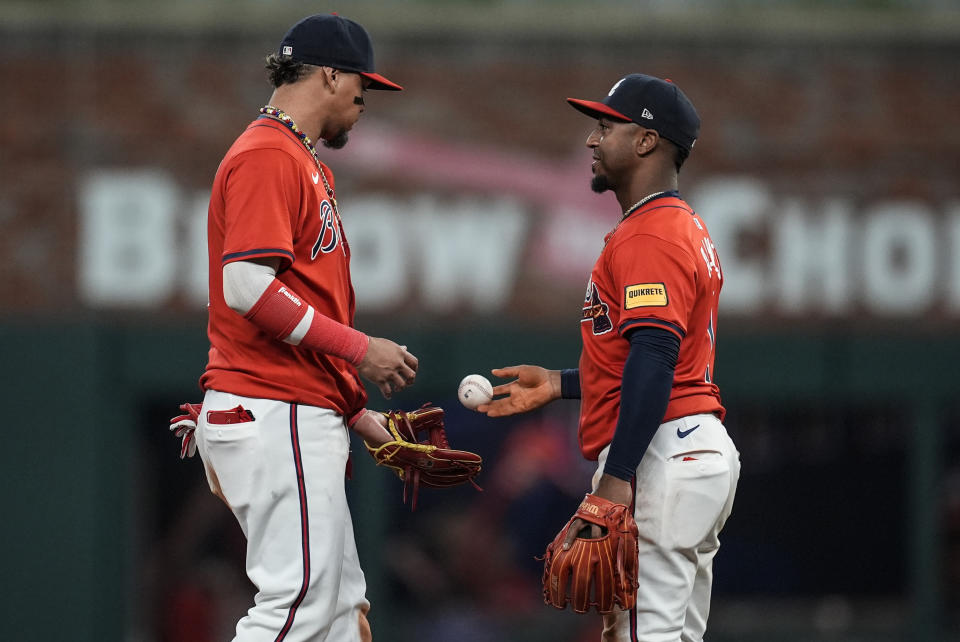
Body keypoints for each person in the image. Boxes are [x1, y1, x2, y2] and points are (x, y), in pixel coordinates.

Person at [478, 74, 741, 642]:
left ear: (646, 140)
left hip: (661, 452)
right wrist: (561, 383)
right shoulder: (674, 224)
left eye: (605, 126)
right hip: (689, 444)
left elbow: (654, 353)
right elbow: (647, 356)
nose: (592, 141)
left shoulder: (653, 233)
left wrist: (617, 478)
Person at [192, 14, 415, 641]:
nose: (363, 101)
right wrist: (360, 348)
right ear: (329, 74)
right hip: (272, 408)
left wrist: (358, 415)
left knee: (343, 616)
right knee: (300, 607)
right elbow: (247, 289)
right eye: (360, 86)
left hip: (289, 407)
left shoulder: (299, 158)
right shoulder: (268, 153)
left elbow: (293, 305)